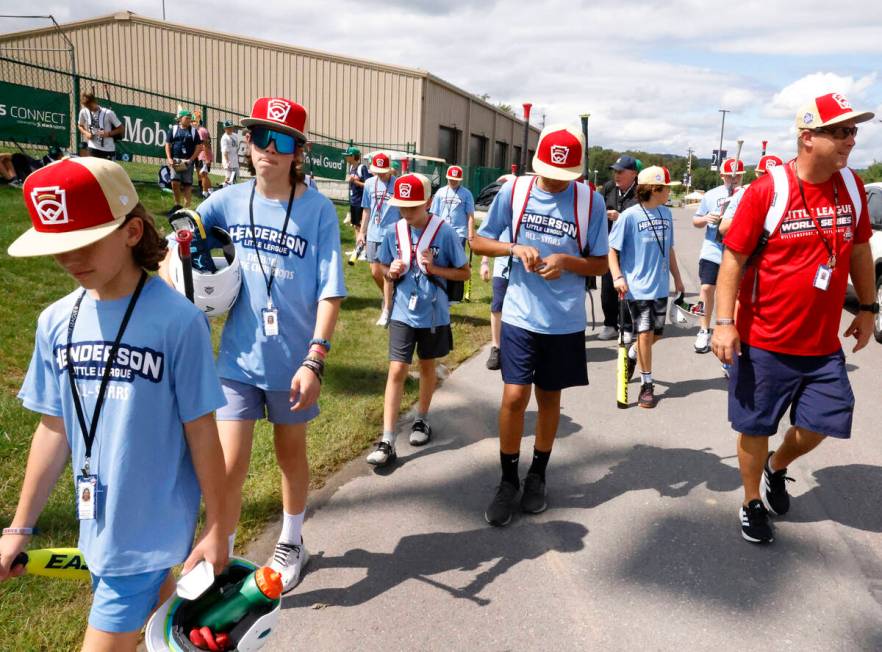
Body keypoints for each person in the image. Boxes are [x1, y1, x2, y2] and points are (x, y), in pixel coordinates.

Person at [1, 157, 228, 651]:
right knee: (166, 630)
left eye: (84, 244)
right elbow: (53, 428)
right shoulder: (55, 321)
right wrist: (20, 526)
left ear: (132, 232)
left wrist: (220, 527)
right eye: (59, 249)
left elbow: (202, 431)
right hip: (99, 527)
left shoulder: (179, 323)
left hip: (144, 533)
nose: (70, 260)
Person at [190, 97, 346, 590]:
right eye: (260, 137)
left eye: (281, 142)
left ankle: (292, 538)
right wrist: (183, 269)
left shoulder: (318, 210)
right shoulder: (228, 200)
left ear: (300, 151)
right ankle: (224, 546)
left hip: (292, 363)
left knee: (289, 451)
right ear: (247, 142)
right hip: (237, 358)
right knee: (229, 462)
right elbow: (184, 235)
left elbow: (330, 290)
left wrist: (315, 359)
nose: (268, 151)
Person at [711, 92, 876, 545]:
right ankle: (750, 501)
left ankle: (776, 466)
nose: (851, 140)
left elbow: (860, 249)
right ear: (807, 137)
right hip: (763, 340)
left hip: (822, 346)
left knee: (822, 424)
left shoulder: (853, 188)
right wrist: (723, 322)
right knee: (754, 426)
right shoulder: (769, 190)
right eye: (841, 131)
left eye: (853, 131)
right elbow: (732, 261)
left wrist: (867, 307)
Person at [472, 124, 609, 527]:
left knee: (550, 398)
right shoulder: (515, 192)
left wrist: (566, 262)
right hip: (519, 312)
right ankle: (507, 480)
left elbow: (600, 262)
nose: (555, 181)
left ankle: (537, 475)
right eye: (550, 172)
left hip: (564, 320)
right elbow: (479, 241)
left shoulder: (590, 202)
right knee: (514, 396)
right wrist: (513, 248)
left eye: (565, 176)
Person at [365, 173, 470, 466]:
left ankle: (422, 419)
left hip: (434, 313)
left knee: (427, 366)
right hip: (402, 311)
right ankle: (387, 439)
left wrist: (435, 269)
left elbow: (464, 272)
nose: (407, 213)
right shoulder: (392, 231)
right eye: (402, 207)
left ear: (427, 202)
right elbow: (383, 267)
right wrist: (392, 271)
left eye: (412, 207)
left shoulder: (445, 232)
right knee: (397, 369)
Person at [607, 166, 686, 408]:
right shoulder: (630, 216)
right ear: (654, 189)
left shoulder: (666, 214)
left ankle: (633, 354)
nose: (669, 194)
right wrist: (617, 277)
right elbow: (612, 250)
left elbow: (669, 249)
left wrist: (678, 280)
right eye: (666, 190)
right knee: (645, 333)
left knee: (656, 335)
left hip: (661, 287)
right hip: (637, 288)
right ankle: (647, 385)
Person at [691, 157, 743, 353]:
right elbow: (696, 220)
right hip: (712, 247)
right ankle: (704, 329)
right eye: (729, 176)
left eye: (737, 175)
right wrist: (706, 218)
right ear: (722, 176)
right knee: (706, 288)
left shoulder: (747, 194)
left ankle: (734, 330)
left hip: (735, 250)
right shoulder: (711, 195)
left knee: (737, 293)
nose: (733, 179)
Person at [598, 155, 641, 341]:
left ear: (633, 173)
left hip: (631, 247)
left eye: (621, 171)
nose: (617, 175)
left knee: (628, 286)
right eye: (615, 171)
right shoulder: (608, 188)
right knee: (608, 286)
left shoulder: (640, 192)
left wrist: (620, 216)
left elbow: (642, 217)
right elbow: (597, 207)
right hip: (609, 246)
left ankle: (628, 325)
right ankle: (610, 324)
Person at [357, 152, 399, 326]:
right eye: (377, 170)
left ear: (390, 169)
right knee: (375, 272)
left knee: (388, 274)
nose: (380, 174)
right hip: (374, 233)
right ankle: (390, 297)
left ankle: (387, 309)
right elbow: (367, 209)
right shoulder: (368, 184)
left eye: (383, 171)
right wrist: (362, 232)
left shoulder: (398, 185)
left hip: (391, 234)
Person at [479, 229, 510, 371]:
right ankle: (496, 348)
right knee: (498, 305)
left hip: (526, 267)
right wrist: (484, 262)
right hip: (503, 265)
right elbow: (489, 235)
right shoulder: (503, 206)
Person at [164, 109, 203, 209]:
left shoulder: (194, 131)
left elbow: (199, 147)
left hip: (188, 161)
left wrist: (191, 159)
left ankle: (187, 207)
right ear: (180, 119)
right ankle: (177, 204)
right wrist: (169, 158)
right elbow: (167, 144)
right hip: (176, 161)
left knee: (187, 184)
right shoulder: (173, 129)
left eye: (190, 118)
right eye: (187, 118)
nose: (189, 120)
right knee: (175, 182)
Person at [77, 92, 123, 160]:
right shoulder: (83, 112)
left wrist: (108, 134)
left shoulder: (108, 113)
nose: (89, 108)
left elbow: (121, 128)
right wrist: (86, 133)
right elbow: (80, 125)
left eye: (90, 106)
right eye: (86, 107)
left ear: (94, 101)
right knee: (94, 170)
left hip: (108, 149)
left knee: (109, 170)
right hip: (92, 148)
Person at [345, 146, 371, 239]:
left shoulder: (362, 168)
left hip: (360, 202)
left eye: (347, 155)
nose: (346, 157)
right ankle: (357, 249)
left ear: (353, 156)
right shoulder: (351, 167)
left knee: (361, 226)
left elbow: (368, 185)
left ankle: (362, 249)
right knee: (356, 225)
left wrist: (355, 181)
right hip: (354, 201)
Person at [196, 116, 214, 198]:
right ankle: (210, 191)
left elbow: (206, 144)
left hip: (204, 155)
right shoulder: (202, 130)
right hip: (203, 155)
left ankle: (205, 192)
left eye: (193, 121)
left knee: (203, 174)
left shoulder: (201, 131)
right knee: (204, 175)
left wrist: (207, 159)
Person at [220, 120, 241, 186]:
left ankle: (232, 191)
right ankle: (223, 188)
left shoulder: (235, 135)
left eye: (231, 127)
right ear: (225, 128)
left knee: (234, 178)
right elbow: (224, 151)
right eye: (228, 127)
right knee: (228, 178)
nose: (230, 129)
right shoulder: (224, 138)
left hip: (234, 160)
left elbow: (237, 148)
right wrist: (227, 162)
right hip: (228, 161)